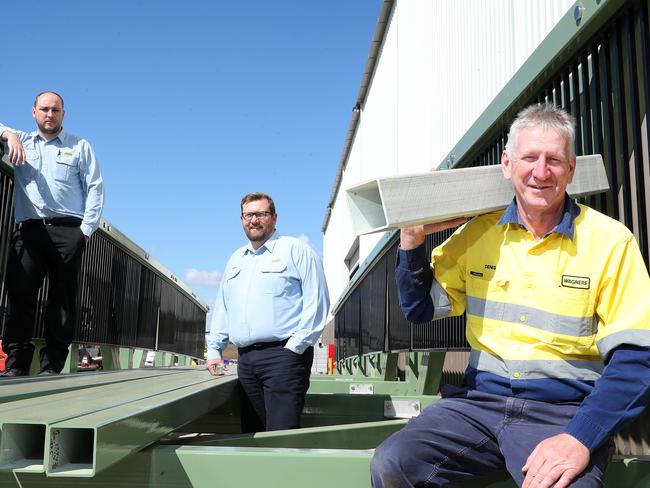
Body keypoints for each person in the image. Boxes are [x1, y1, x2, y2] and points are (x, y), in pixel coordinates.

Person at [371, 103, 650, 487]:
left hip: (561, 413)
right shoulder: (479, 233)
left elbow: (637, 358)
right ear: (507, 164)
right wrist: (412, 239)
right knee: (394, 463)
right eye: (529, 157)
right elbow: (419, 309)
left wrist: (579, 438)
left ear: (571, 169)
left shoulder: (610, 241)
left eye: (554, 160)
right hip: (477, 406)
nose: (540, 172)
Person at [205, 192, 330, 432]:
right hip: (246, 360)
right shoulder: (235, 259)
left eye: (261, 214)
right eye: (248, 215)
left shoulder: (296, 250)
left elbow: (317, 301)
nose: (254, 220)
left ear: (274, 217)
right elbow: (223, 306)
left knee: (281, 437)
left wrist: (294, 347)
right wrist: (214, 350)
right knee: (251, 435)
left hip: (283, 357)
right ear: (242, 219)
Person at [0, 91, 104, 376]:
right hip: (30, 231)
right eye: (44, 109)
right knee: (20, 296)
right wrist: (8, 134)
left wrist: (85, 231)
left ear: (63, 114)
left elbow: (95, 187)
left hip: (69, 232)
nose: (50, 114)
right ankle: (16, 364)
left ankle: (52, 366)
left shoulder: (80, 146)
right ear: (34, 111)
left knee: (62, 301)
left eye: (55, 110)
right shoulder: (22, 139)